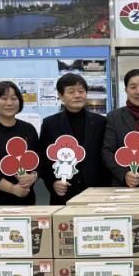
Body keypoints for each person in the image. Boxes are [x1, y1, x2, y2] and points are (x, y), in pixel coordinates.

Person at [39, 73, 109, 204]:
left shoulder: (101, 122)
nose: (77, 95)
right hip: (64, 193)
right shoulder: (50, 124)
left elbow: (106, 154)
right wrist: (53, 182)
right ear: (61, 96)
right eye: (71, 92)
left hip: (97, 193)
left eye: (81, 91)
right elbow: (43, 159)